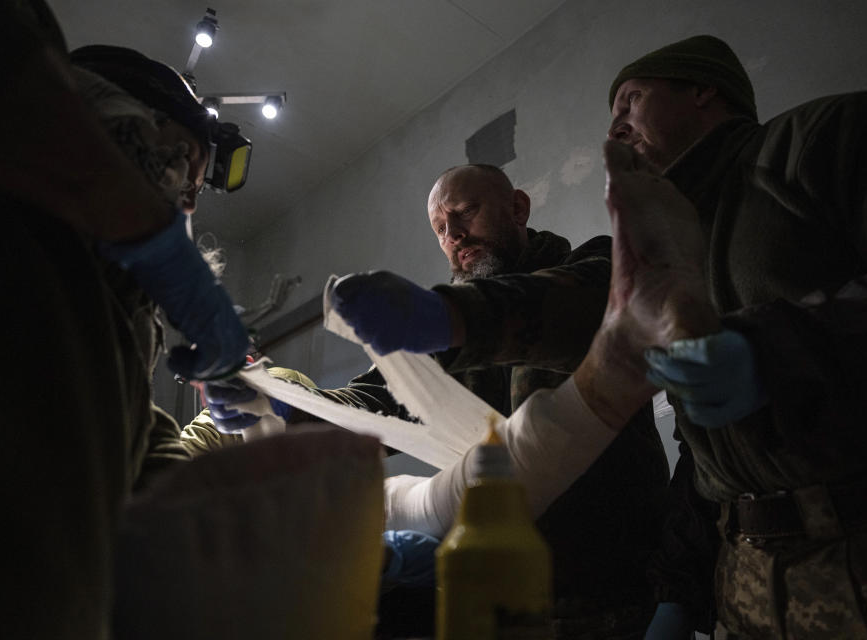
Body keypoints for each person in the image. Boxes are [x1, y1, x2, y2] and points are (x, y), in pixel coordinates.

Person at [206, 163, 671, 638]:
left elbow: (589, 309)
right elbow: (369, 404)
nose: (454, 234)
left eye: (466, 212)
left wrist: (452, 316)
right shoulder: (442, 334)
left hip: (615, 589)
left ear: (517, 208)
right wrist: (278, 405)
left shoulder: (591, 271)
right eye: (440, 228)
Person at [595, 35, 867, 638]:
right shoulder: (673, 249)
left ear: (704, 88)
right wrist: (680, 589)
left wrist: (777, 351)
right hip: (748, 587)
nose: (615, 128)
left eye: (630, 100)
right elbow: (703, 453)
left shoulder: (827, 138)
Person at [0, 2, 249, 636]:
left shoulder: (120, 312)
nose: (190, 198)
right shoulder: (26, 235)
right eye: (186, 161)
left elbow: (114, 434)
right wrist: (149, 231)